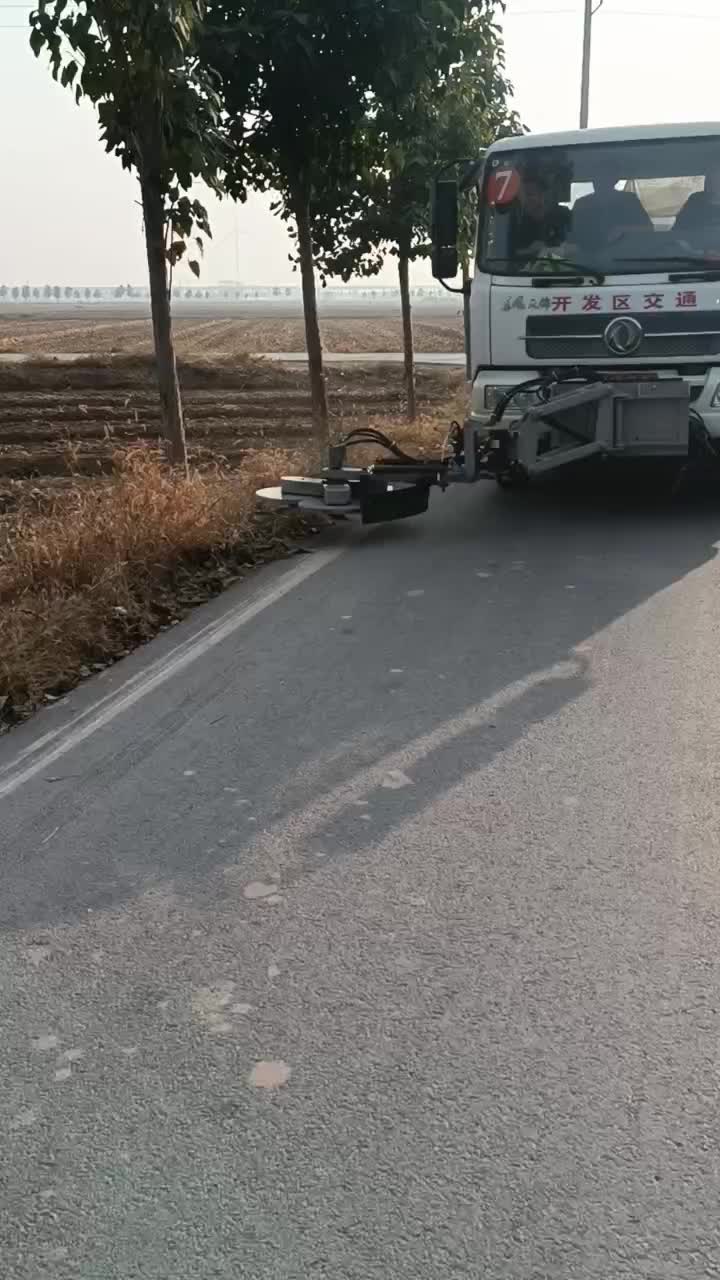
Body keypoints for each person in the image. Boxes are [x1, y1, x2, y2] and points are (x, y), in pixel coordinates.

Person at [571, 171, 652, 250]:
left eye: (606, 177)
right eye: (597, 177)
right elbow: (571, 235)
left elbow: (648, 229)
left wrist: (623, 230)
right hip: (586, 258)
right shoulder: (582, 204)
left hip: (625, 256)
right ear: (593, 180)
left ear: (615, 180)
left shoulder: (629, 201)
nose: (601, 181)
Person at [511, 175, 572, 256]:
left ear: (542, 196)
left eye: (530, 195)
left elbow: (581, 247)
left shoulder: (563, 215)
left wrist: (555, 249)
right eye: (521, 196)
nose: (524, 199)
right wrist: (531, 250)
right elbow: (511, 254)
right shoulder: (519, 223)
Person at [674, 165, 720, 235]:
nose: (711, 183)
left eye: (716, 179)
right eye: (709, 179)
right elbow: (678, 231)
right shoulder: (695, 201)